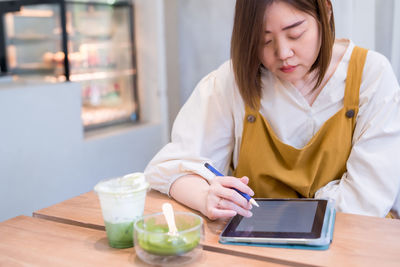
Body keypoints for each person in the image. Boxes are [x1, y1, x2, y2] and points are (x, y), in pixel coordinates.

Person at [144, 0, 400, 220]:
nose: (283, 53)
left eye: (295, 33)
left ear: (326, 10)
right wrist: (205, 194)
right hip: (261, 247)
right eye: (264, 40)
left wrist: (275, 213)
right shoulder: (233, 81)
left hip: (354, 244)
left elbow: (366, 202)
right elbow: (171, 166)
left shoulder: (370, 75)